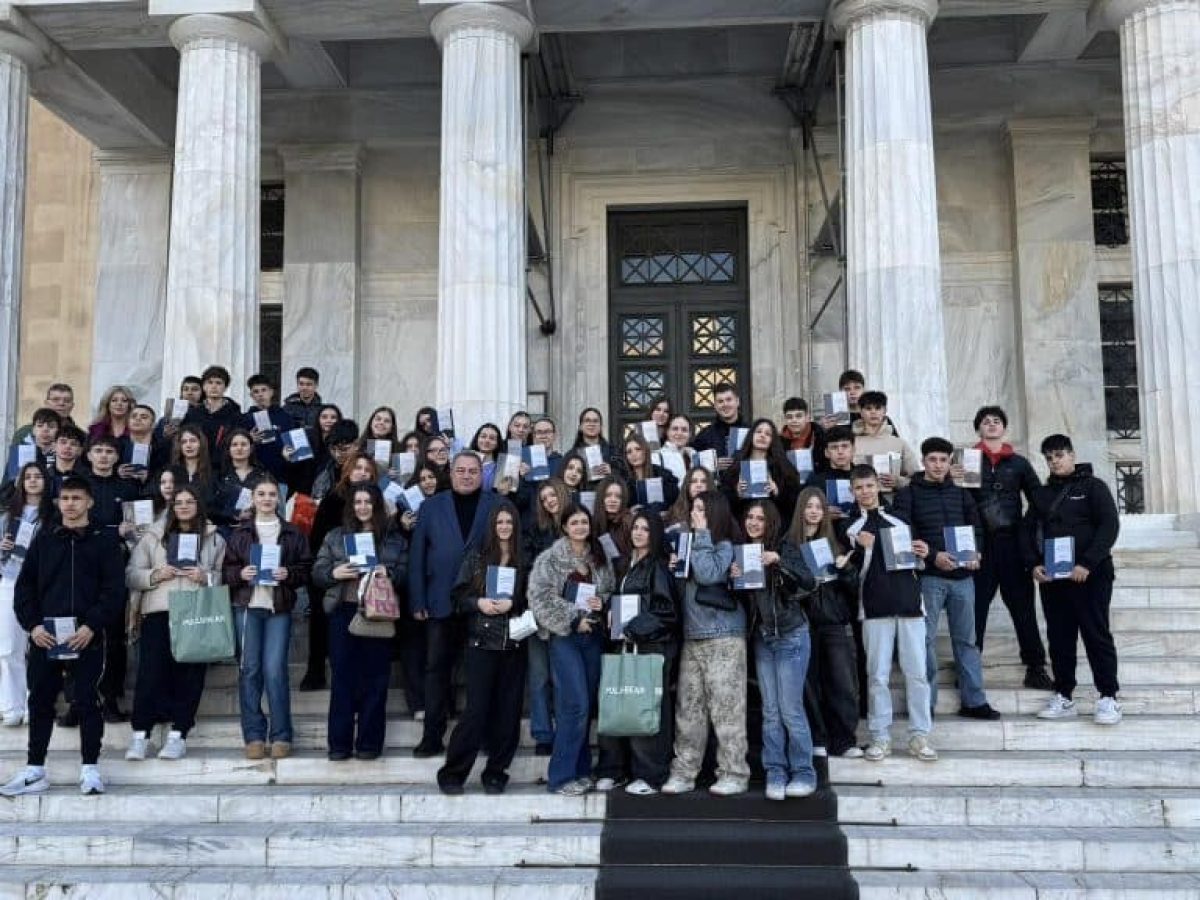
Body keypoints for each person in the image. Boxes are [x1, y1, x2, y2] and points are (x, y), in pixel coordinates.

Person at [1, 476, 125, 797]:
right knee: (40, 700)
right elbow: (24, 588)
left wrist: (91, 626)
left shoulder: (104, 540)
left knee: (86, 700)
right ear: (57, 503)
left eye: (76, 498)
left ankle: (90, 770)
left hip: (88, 636)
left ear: (89, 502)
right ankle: (34, 770)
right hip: (46, 636)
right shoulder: (44, 538)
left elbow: (114, 591)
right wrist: (34, 626)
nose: (70, 504)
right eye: (64, 498)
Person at [893, 437, 1000, 721]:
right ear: (924, 461)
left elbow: (976, 526)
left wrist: (976, 552)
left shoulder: (962, 493)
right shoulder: (909, 494)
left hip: (963, 578)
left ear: (950, 462)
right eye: (933, 460)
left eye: (943, 460)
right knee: (924, 640)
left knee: (967, 640)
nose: (938, 465)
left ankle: (974, 700)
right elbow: (906, 531)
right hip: (928, 577)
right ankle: (925, 702)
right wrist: (933, 556)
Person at [1025, 434, 1122, 725]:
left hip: (1090, 575)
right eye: (1049, 458)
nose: (1055, 461)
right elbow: (1027, 531)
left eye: (1059, 455)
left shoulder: (1094, 487)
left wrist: (1087, 562)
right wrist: (1033, 565)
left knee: (1096, 634)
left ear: (1072, 454)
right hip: (1054, 578)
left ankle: (1108, 697)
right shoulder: (1041, 495)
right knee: (1059, 638)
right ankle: (1064, 694)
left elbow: (1109, 525)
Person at [407, 451, 499, 756]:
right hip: (439, 601)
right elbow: (417, 555)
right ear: (451, 471)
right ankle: (432, 735)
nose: (467, 475)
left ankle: (482, 734)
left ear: (481, 474)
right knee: (436, 670)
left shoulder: (496, 505)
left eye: (473, 471)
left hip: (479, 602)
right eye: (461, 470)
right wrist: (418, 598)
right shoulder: (430, 507)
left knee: (480, 674)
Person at [124, 485, 225, 760]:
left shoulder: (214, 538)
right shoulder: (153, 537)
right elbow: (132, 574)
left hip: (195, 611)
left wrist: (205, 577)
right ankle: (140, 736)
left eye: (189, 501)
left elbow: (223, 576)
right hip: (159, 610)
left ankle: (178, 734)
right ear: (171, 506)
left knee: (190, 676)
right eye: (178, 502)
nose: (183, 506)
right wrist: (156, 575)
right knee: (149, 674)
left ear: (198, 505)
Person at [843, 465, 936, 763]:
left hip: (910, 605)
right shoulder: (848, 526)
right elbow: (848, 571)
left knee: (918, 674)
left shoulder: (900, 519)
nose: (865, 492)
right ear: (852, 491)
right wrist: (860, 550)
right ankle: (880, 737)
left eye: (869, 486)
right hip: (874, 608)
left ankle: (920, 736)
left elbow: (917, 559)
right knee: (878, 677)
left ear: (878, 487)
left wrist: (924, 552)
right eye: (859, 487)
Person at [661, 491, 749, 797]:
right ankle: (684, 772)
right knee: (689, 710)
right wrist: (676, 564)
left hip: (724, 634)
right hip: (692, 636)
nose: (694, 514)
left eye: (700, 509)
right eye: (693, 509)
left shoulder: (725, 545)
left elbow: (709, 573)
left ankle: (734, 773)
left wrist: (700, 535)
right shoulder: (692, 543)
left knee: (727, 710)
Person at [438, 500, 528, 794]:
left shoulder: (524, 559)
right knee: (475, 712)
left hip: (513, 643)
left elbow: (534, 599)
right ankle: (453, 773)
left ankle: (496, 772)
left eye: (509, 522)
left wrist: (513, 603)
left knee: (508, 713)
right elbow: (458, 598)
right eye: (500, 522)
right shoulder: (477, 557)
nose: (504, 527)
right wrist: (479, 603)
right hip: (481, 642)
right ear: (493, 525)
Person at [313, 483, 407, 760]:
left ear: (377, 505)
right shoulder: (335, 536)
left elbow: (405, 573)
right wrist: (335, 572)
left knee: (376, 680)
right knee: (342, 679)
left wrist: (387, 571)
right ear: (351, 506)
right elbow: (317, 572)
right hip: (344, 610)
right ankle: (339, 745)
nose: (363, 507)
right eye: (358, 502)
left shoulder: (392, 538)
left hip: (377, 613)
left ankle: (369, 744)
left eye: (368, 502)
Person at [528, 503, 614, 796]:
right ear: (564, 527)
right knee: (573, 704)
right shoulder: (549, 559)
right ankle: (561, 776)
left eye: (584, 522)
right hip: (564, 637)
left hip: (593, 637)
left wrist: (600, 604)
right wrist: (573, 619)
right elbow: (539, 598)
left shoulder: (599, 557)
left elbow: (609, 590)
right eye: (574, 522)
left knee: (586, 705)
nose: (580, 527)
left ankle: (581, 770)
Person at [734, 500, 818, 800]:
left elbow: (809, 581)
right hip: (763, 638)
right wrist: (734, 579)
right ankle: (775, 772)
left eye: (760, 518)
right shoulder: (741, 551)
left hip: (791, 635)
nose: (754, 523)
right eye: (750, 517)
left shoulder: (785, 547)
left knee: (790, 709)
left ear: (770, 522)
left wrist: (778, 560)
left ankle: (804, 773)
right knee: (770, 711)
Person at [223, 476, 311, 760]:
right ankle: (254, 734)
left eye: (272, 494)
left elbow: (305, 568)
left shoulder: (293, 533)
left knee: (275, 671)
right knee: (249, 670)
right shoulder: (240, 533)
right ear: (253, 499)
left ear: (279, 499)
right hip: (247, 607)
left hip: (278, 609)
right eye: (261, 494)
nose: (267, 499)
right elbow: (227, 572)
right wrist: (240, 574)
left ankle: (282, 734)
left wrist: (289, 574)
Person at [964, 406, 1051, 690]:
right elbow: (959, 502)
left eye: (997, 421)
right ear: (978, 428)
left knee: (1023, 608)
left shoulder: (1019, 463)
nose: (991, 425)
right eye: (986, 421)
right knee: (975, 608)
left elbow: (1038, 499)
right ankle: (969, 668)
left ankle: (1035, 667)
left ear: (1004, 428)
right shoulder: (966, 460)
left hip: (1012, 544)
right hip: (981, 545)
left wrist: (1026, 529)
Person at [596, 511, 679, 795]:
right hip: (622, 646)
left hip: (648, 648)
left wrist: (633, 627)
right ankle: (614, 770)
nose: (639, 533)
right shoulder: (624, 565)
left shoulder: (658, 567)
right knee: (618, 705)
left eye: (645, 529)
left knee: (646, 709)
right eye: (636, 528)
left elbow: (666, 613)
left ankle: (650, 775)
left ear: (654, 534)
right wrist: (609, 612)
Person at [790, 487, 861, 758]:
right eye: (809, 506)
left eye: (818, 507)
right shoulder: (790, 546)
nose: (813, 511)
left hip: (833, 622)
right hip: (802, 623)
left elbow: (853, 589)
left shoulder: (835, 544)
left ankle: (844, 741)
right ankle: (817, 738)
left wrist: (845, 571)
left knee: (842, 683)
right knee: (809, 686)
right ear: (801, 510)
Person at [302, 451, 380, 692]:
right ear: (348, 471)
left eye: (368, 470)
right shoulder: (333, 499)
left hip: (366, 577)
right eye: (358, 468)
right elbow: (316, 541)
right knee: (320, 619)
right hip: (333, 571)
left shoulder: (378, 502)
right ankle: (315, 671)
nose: (363, 473)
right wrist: (332, 568)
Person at [0, 463, 53, 727]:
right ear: (20, 482)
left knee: (39, 646)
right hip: (11, 581)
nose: (32, 481)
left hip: (43, 584)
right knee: (9, 646)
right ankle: (11, 705)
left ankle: (36, 703)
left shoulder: (53, 514)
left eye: (37, 476)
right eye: (27, 477)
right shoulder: (7, 517)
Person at [522, 478, 571, 755]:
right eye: (544, 498)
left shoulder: (577, 526)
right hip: (539, 611)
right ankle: (542, 732)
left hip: (566, 612)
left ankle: (565, 729)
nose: (550, 500)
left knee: (562, 676)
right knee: (539, 675)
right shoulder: (533, 531)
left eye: (553, 495)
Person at [720, 417, 802, 525]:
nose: (762, 435)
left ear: (773, 440)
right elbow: (723, 501)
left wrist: (778, 491)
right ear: (751, 436)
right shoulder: (736, 465)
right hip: (743, 526)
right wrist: (737, 493)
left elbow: (796, 501)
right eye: (758, 432)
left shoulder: (783, 467)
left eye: (768, 434)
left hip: (774, 526)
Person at [852, 391, 918, 499]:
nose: (873, 412)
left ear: (885, 411)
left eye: (878, 408)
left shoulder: (899, 443)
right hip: (859, 502)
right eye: (868, 408)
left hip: (893, 502)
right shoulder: (852, 443)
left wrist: (898, 481)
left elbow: (917, 478)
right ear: (861, 411)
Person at [210, 429, 266, 538]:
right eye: (234, 444)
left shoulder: (263, 476)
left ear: (251, 448)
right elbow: (209, 508)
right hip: (223, 534)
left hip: (255, 534)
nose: (239, 448)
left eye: (244, 444)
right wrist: (233, 514)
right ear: (229, 449)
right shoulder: (218, 476)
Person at [242, 374, 293, 483]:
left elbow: (293, 446)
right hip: (252, 476)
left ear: (271, 392)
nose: (260, 394)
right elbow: (236, 446)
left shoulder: (285, 417)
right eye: (256, 391)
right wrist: (249, 439)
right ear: (251, 395)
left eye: (263, 390)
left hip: (280, 476)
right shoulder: (244, 419)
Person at [617, 431, 679, 518]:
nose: (634, 454)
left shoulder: (664, 475)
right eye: (629, 452)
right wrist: (628, 512)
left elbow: (676, 502)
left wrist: (667, 512)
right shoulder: (622, 480)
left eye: (638, 449)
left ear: (645, 451)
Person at [184, 365, 243, 451]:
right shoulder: (193, 413)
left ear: (225, 387)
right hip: (200, 461)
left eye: (218, 383)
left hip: (225, 461)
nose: (214, 386)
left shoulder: (235, 414)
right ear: (204, 386)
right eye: (210, 382)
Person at [690, 382, 745, 470]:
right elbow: (692, 463)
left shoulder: (752, 431)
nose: (725, 404)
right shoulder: (705, 435)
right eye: (720, 401)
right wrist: (712, 464)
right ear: (715, 406)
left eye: (729, 399)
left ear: (737, 402)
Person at [10, 383, 75, 447]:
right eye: (55, 399)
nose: (61, 403)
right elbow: (15, 457)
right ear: (46, 403)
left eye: (67, 400)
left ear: (72, 406)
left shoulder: (79, 436)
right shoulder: (24, 433)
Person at [593, 475, 634, 562]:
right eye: (608, 495)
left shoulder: (628, 522)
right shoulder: (595, 522)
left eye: (618, 496)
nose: (613, 500)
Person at [570, 407, 615, 479]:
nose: (592, 424)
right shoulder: (571, 455)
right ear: (580, 427)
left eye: (595, 421)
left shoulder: (613, 452)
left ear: (600, 427)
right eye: (587, 420)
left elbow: (625, 478)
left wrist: (612, 471)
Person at [171, 424, 215, 493]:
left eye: (193, 441)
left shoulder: (212, 473)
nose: (188, 445)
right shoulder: (171, 471)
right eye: (184, 442)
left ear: (201, 443)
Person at [781, 397, 825, 462]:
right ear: (785, 419)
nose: (794, 420)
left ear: (807, 417)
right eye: (789, 417)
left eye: (798, 416)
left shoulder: (822, 436)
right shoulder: (778, 442)